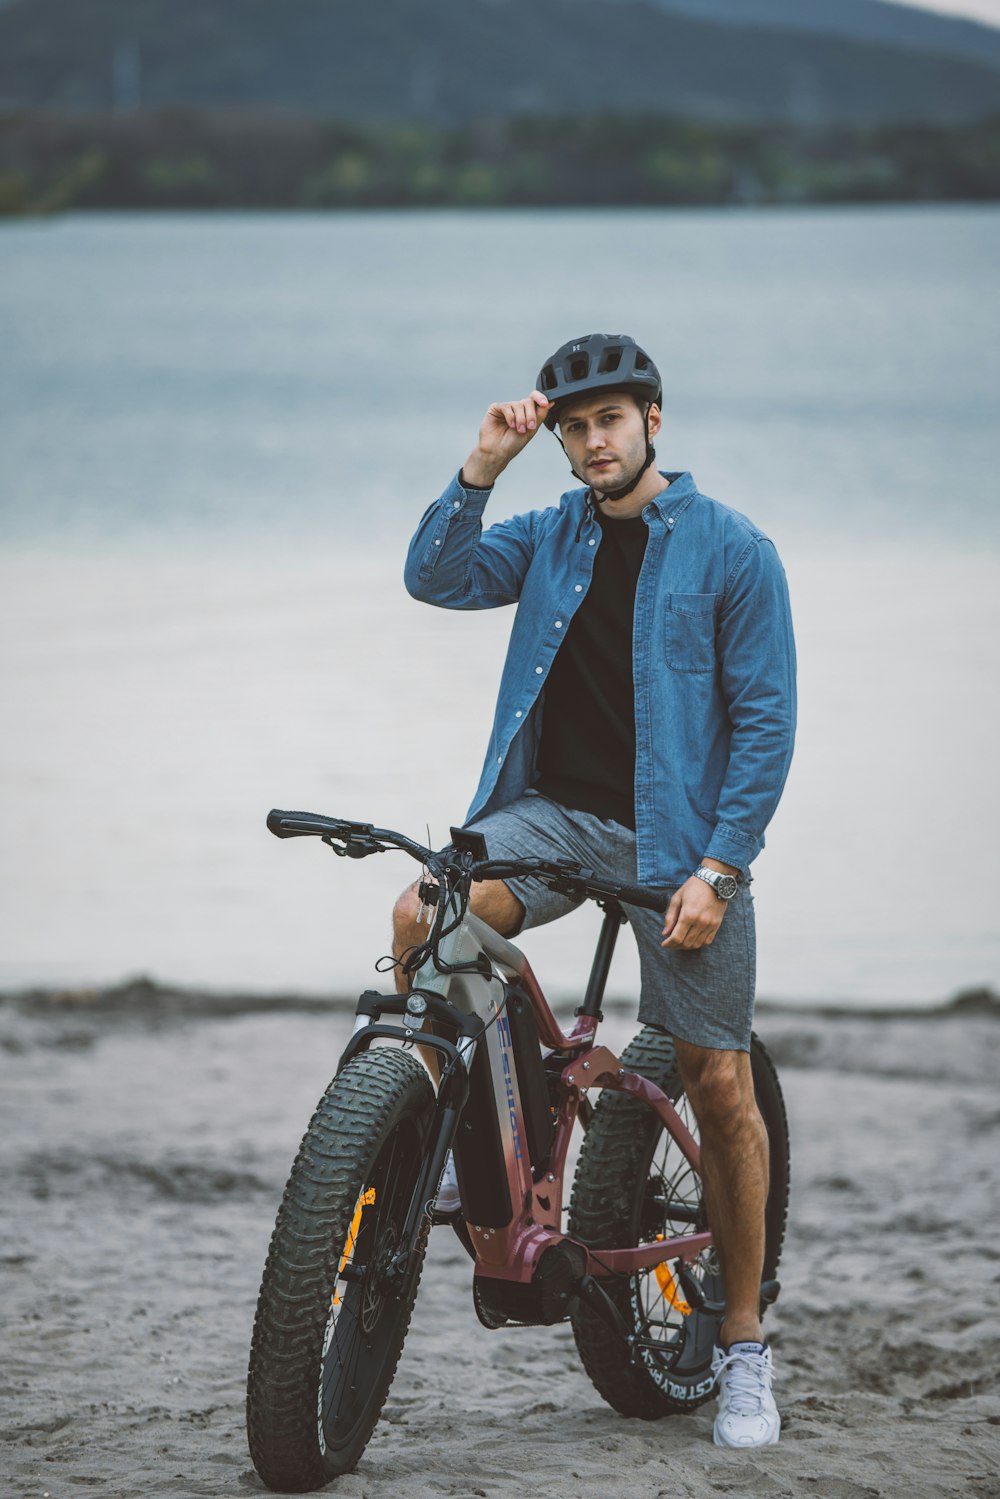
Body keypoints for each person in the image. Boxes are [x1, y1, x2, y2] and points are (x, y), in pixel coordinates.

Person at [394, 333, 796, 1449]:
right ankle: (464, 1139)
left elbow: (766, 724)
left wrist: (719, 869)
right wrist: (481, 464)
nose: (589, 442)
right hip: (549, 816)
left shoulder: (731, 548)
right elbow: (436, 575)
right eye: (573, 427)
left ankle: (745, 1336)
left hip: (676, 844)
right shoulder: (554, 534)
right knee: (425, 919)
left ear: (652, 421)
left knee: (717, 1079)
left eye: (608, 420)